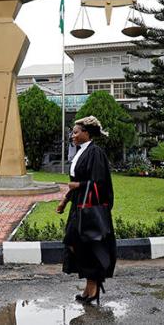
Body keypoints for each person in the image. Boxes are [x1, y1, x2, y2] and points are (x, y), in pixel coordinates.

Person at [56, 116, 116, 304]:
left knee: (86, 245)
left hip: (91, 209)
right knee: (74, 243)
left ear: (87, 133)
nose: (72, 136)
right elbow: (78, 182)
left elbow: (99, 183)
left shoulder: (95, 152)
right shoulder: (81, 152)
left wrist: (78, 185)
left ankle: (92, 287)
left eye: (76, 132)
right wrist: (65, 201)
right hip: (78, 206)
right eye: (72, 133)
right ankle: (92, 285)